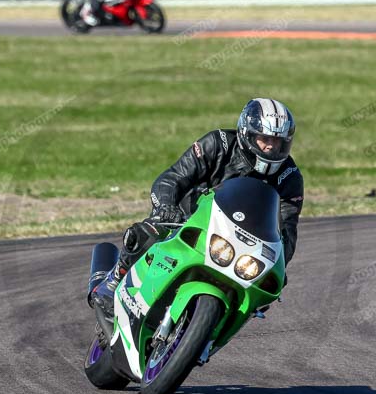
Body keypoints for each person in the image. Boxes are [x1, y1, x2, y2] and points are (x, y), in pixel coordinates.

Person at [90, 98, 304, 317]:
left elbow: (286, 230)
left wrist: (278, 264)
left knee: (260, 294)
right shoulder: (217, 144)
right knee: (148, 232)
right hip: (187, 222)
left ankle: (207, 339)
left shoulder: (290, 177)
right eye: (264, 139)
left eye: (278, 142)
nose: (270, 147)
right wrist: (165, 207)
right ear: (247, 133)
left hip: (238, 245)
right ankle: (115, 278)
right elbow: (171, 179)